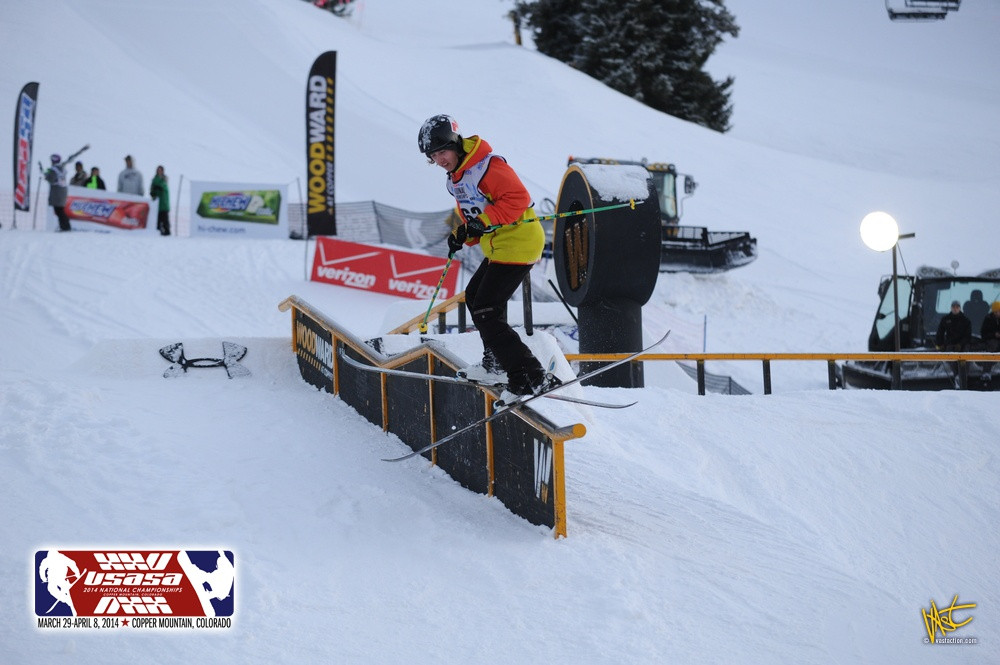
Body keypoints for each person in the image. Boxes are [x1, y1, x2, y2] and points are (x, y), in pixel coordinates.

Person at [418, 114, 556, 397]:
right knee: (475, 298)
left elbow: (517, 199)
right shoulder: (455, 179)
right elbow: (478, 215)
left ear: (455, 144)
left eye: (442, 152)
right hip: (500, 245)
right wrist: (465, 234)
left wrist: (483, 221)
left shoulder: (487, 166)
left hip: (519, 241)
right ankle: (496, 363)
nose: (440, 160)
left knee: (486, 309)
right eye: (433, 156)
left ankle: (530, 376)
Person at [43, 148, 87, 231]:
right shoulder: (61, 168)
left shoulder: (54, 169)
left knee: (59, 211)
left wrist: (46, 176)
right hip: (63, 192)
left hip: (56, 193)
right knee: (60, 210)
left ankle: (65, 227)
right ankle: (64, 226)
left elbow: (51, 179)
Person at [149, 165, 171, 236]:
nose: (159, 171)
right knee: (157, 221)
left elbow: (164, 187)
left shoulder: (164, 179)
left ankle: (167, 233)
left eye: (160, 170)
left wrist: (158, 187)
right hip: (157, 204)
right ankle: (158, 232)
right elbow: (152, 190)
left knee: (165, 220)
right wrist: (153, 193)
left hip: (164, 203)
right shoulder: (154, 179)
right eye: (158, 170)